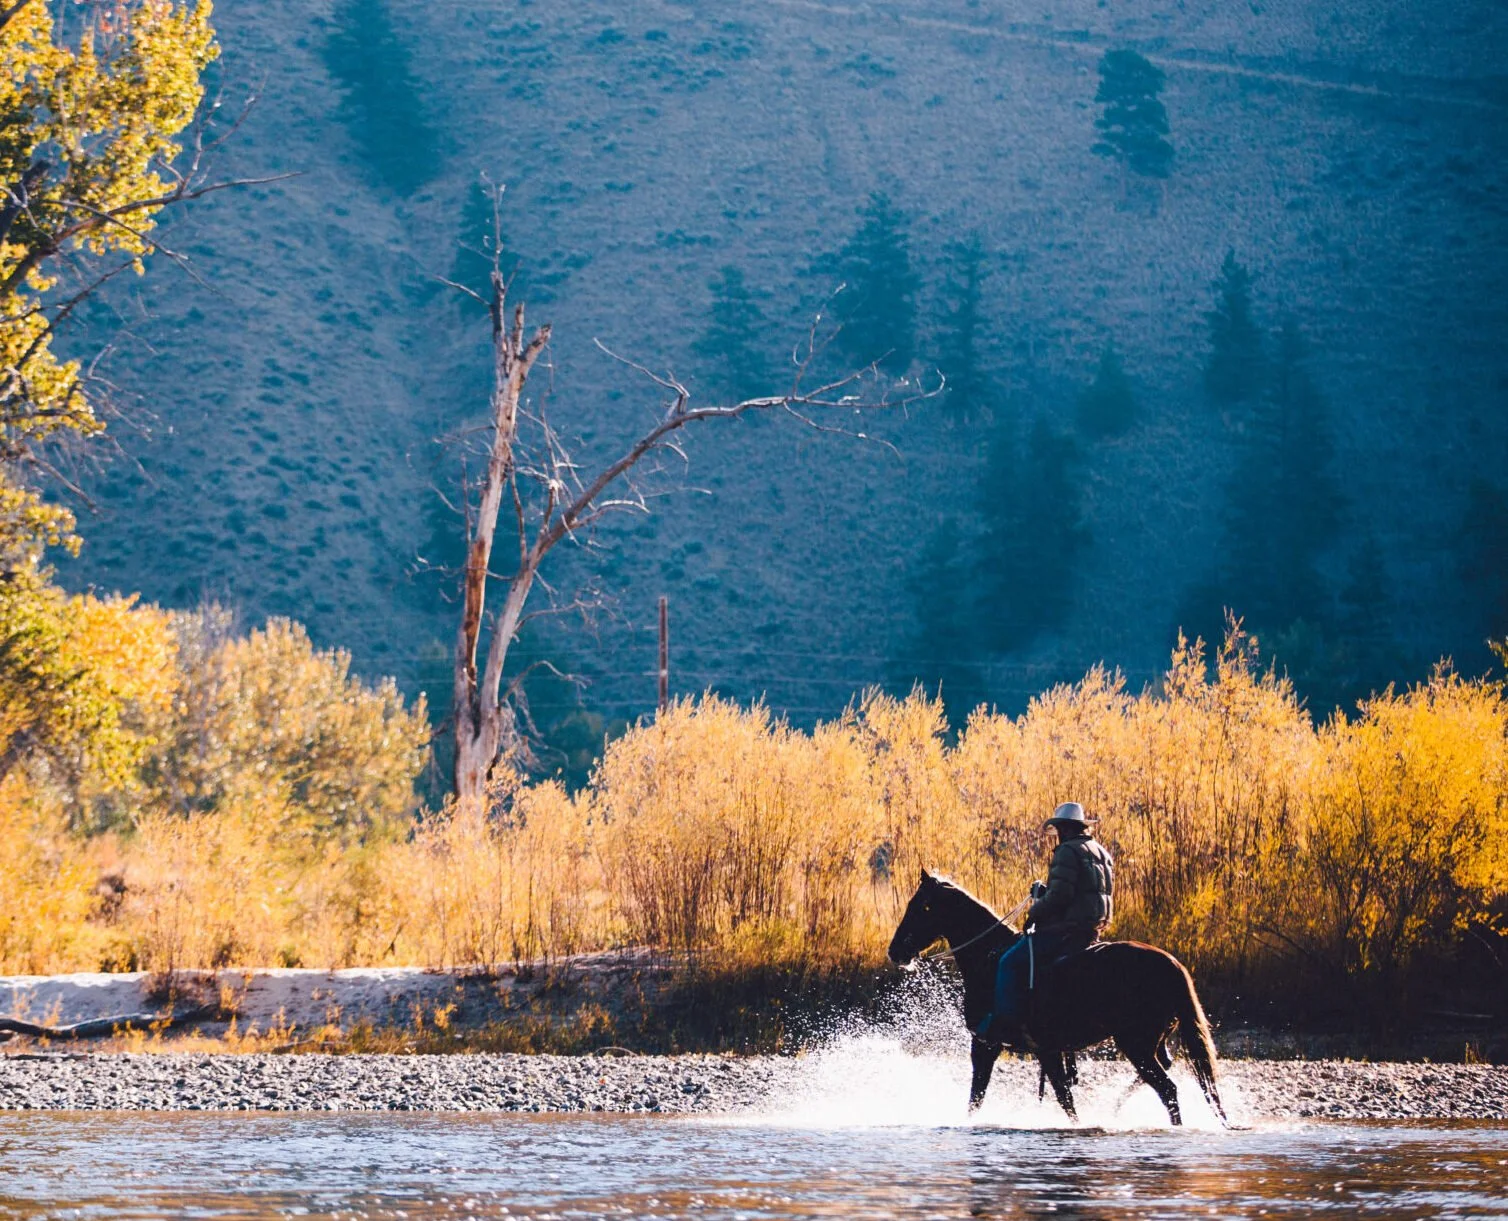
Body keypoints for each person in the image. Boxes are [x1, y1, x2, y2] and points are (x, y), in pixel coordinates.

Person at [977, 802, 1114, 1043]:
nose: (1058, 835)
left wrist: (1035, 911)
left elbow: (1061, 896)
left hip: (1066, 930)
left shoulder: (1067, 851)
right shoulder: (1100, 851)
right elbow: (1082, 891)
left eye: (1059, 829)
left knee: (1009, 962)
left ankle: (1007, 1025)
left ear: (1065, 828)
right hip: (1091, 931)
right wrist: (1046, 892)